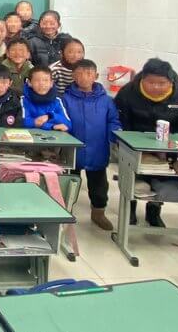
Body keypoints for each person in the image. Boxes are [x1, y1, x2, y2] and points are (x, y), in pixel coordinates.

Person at [115, 58, 178, 227]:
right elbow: (120, 119)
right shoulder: (128, 92)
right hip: (135, 145)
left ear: (170, 81)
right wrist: (129, 141)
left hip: (167, 147)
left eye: (161, 83)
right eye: (151, 82)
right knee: (134, 176)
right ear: (143, 79)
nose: (155, 87)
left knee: (160, 178)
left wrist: (173, 145)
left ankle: (154, 211)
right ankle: (130, 209)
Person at [62, 59, 122, 230]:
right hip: (72, 150)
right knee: (69, 182)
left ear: (95, 76)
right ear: (73, 75)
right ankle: (65, 212)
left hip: (98, 149)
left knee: (99, 186)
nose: (84, 77)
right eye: (80, 73)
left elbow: (113, 121)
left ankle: (98, 213)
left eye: (89, 73)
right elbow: (61, 120)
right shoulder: (65, 99)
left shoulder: (106, 101)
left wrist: (116, 136)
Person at [20, 66, 71, 132]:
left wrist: (50, 116)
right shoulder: (23, 100)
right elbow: (24, 122)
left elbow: (68, 125)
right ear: (29, 83)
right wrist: (51, 126)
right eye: (37, 80)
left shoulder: (57, 101)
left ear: (51, 83)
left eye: (46, 80)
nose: (41, 84)